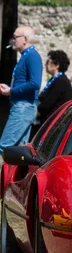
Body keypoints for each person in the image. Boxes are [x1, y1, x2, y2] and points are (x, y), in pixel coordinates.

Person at [0, 26, 42, 158]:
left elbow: (35, 83)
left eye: (15, 37)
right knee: (18, 151)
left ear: (24, 40)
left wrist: (11, 91)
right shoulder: (27, 56)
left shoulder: (32, 56)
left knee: (4, 147)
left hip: (23, 106)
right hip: (22, 106)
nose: (12, 40)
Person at [36, 50, 72, 124]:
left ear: (57, 65)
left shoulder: (60, 82)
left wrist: (36, 112)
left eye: (48, 62)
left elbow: (47, 104)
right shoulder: (55, 79)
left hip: (56, 123)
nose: (45, 65)